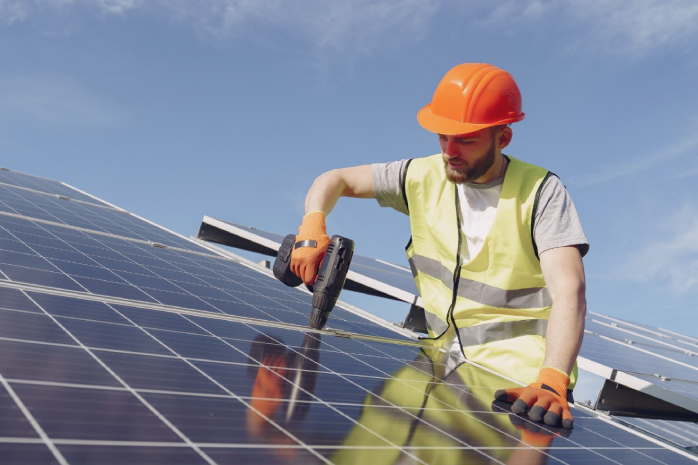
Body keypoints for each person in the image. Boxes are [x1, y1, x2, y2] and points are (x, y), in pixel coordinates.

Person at [289, 63, 588, 429]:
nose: (450, 151)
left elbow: (569, 289)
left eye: (466, 139)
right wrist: (312, 223)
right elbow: (334, 179)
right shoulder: (421, 175)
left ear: (503, 138)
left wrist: (553, 378)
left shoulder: (541, 191)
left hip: (520, 388)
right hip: (441, 366)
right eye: (443, 136)